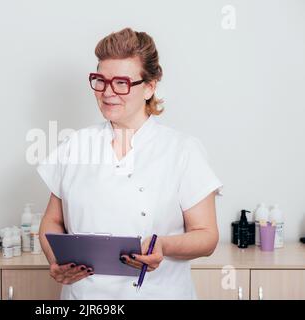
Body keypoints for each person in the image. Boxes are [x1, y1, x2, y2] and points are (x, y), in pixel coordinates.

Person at [37, 27, 223, 299]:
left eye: (121, 82)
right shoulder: (74, 145)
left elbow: (207, 236)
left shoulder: (182, 150)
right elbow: (52, 221)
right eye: (100, 80)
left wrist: (164, 246)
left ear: (149, 87)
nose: (107, 92)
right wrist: (55, 261)